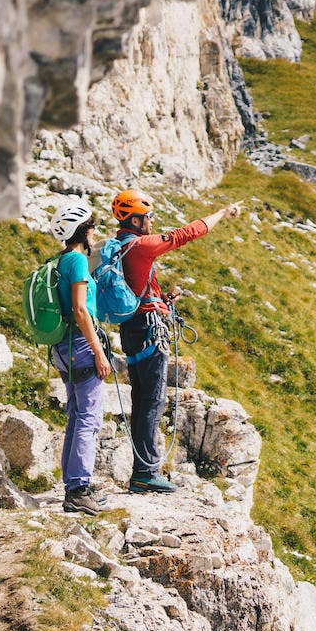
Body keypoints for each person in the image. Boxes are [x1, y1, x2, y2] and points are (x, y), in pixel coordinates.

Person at [110, 189, 243, 493]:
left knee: (142, 400)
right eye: (148, 217)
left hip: (132, 328)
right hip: (147, 329)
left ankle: (142, 470)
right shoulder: (142, 245)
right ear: (135, 219)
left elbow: (135, 288)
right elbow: (186, 234)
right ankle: (145, 473)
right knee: (152, 402)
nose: (152, 222)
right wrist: (222, 213)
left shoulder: (119, 246)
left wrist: (162, 300)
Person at [49, 202, 113, 516]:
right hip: (80, 346)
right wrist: (99, 352)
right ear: (82, 232)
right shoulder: (76, 260)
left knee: (76, 416)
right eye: (91, 228)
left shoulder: (58, 260)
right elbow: (79, 309)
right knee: (88, 419)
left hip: (61, 348)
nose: (94, 233)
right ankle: (77, 490)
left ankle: (75, 484)